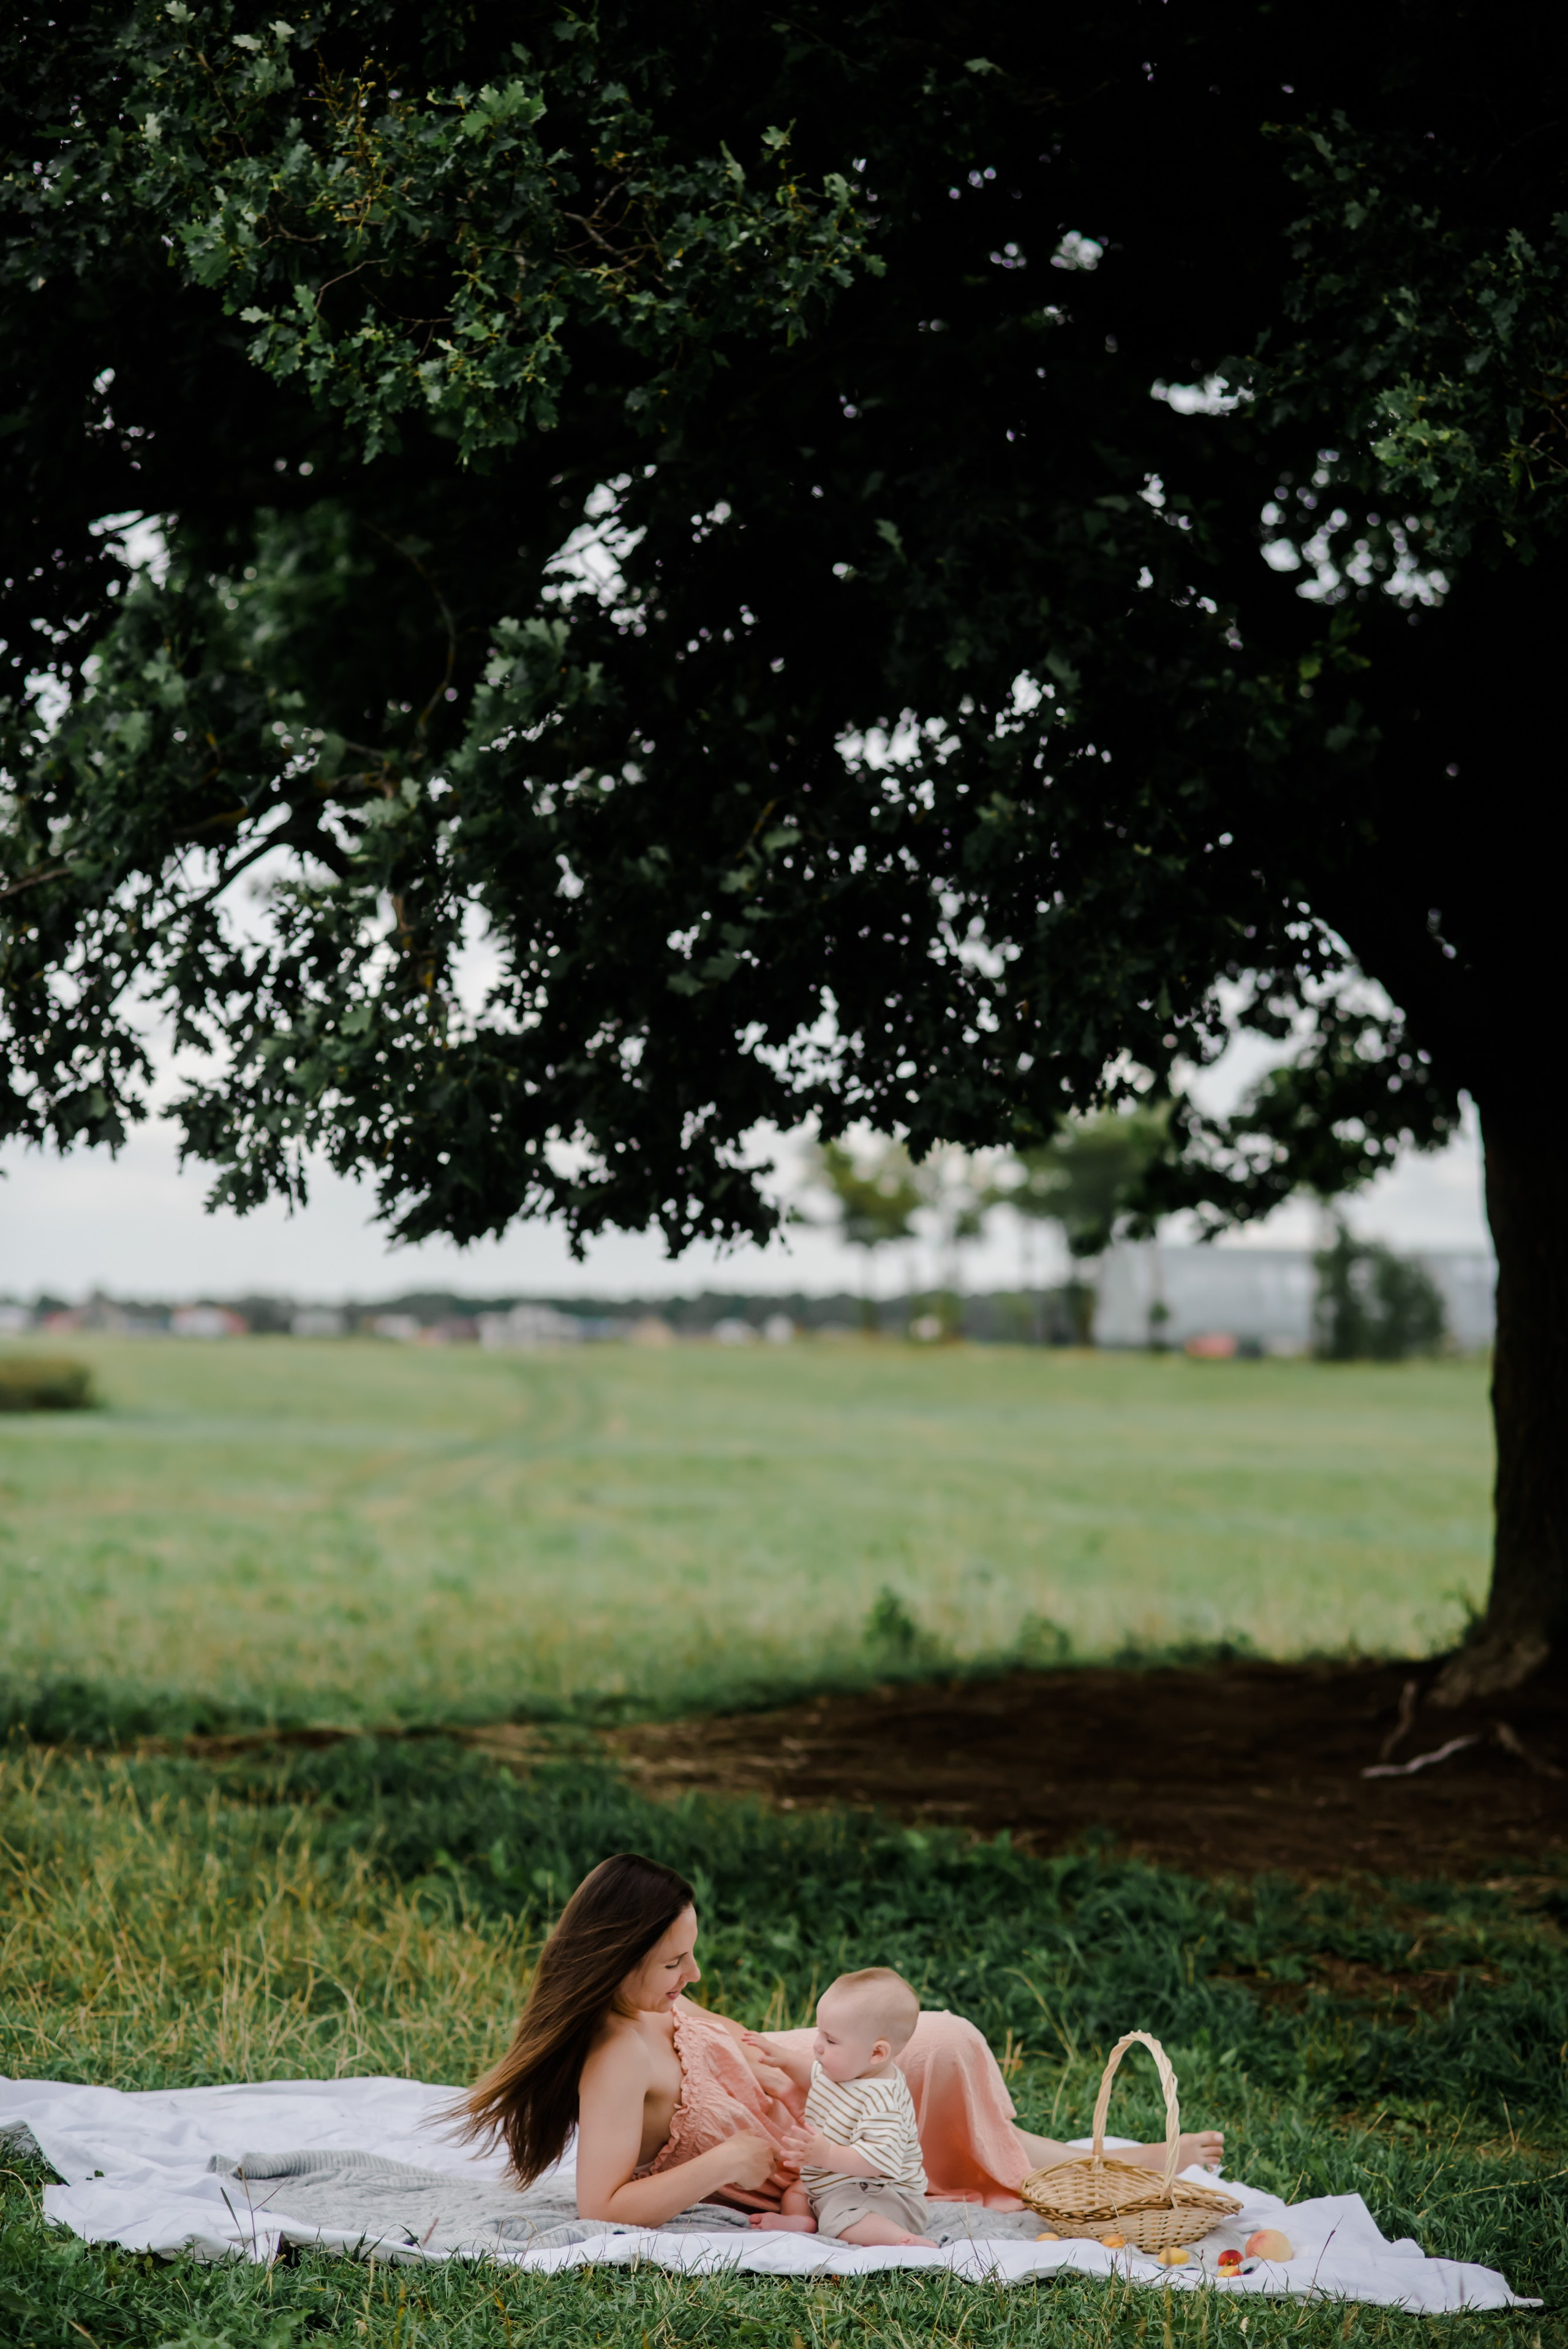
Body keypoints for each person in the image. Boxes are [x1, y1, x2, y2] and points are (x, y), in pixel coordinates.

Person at [459, 1851, 1224, 2226]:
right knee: (932, 2075)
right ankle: (1121, 2166)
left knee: (944, 2043)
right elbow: (601, 2208)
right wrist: (727, 2159)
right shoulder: (614, 2059)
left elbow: (719, 2052)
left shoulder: (640, 2007)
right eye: (672, 1960)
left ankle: (1100, 2161)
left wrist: (799, 2065)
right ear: (616, 1957)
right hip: (809, 2119)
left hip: (806, 2072)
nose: (693, 1972)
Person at [748, 1966, 936, 2246]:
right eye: (819, 2033)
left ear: (876, 2053)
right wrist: (784, 2059)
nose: (818, 2047)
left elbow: (875, 2161)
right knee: (797, 2192)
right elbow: (811, 2075)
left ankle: (900, 2239)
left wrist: (825, 2155)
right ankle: (802, 2222)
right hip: (843, 2182)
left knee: (838, 2217)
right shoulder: (845, 2071)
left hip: (886, 2196)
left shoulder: (882, 2100)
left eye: (831, 2040)